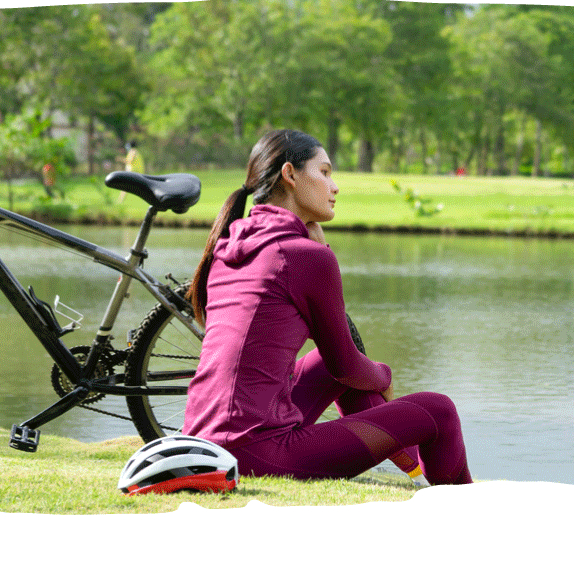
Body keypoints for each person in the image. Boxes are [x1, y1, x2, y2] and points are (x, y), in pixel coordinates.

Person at [181, 129, 472, 486]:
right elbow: (348, 366)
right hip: (253, 451)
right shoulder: (303, 256)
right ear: (290, 175)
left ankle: (410, 466)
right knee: (437, 409)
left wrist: (317, 247)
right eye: (325, 172)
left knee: (321, 364)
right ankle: (463, 500)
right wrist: (385, 375)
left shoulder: (231, 245)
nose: (334, 186)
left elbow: (334, 361)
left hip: (202, 441)